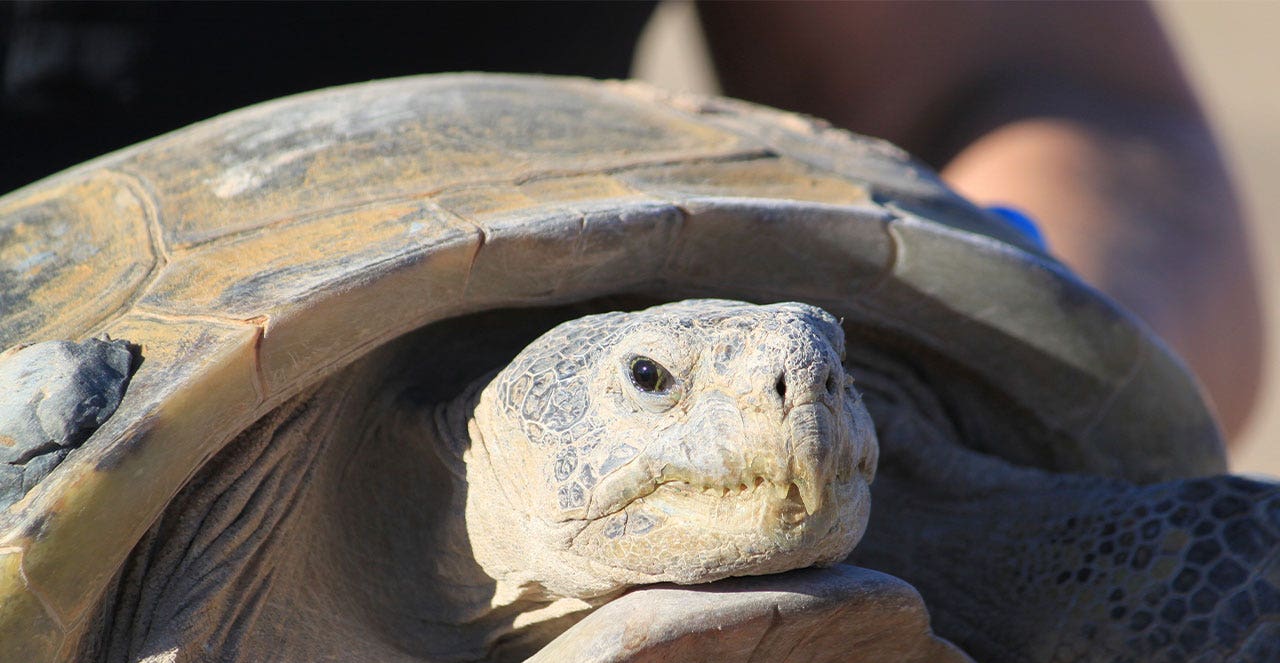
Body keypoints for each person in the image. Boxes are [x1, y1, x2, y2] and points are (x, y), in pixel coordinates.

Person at [1, 1, 1260, 440]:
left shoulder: (818, 404)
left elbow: (1027, 75)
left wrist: (958, 385)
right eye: (661, 384)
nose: (793, 398)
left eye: (822, 372)